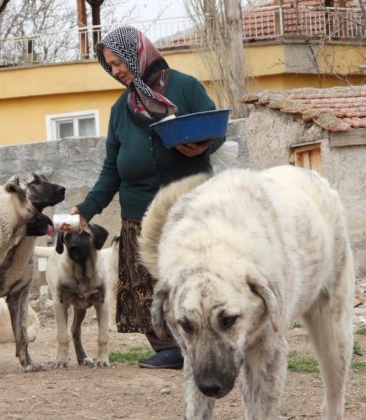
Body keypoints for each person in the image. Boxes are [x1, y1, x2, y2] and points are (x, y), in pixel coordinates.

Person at [71, 26, 225, 370]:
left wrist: (203, 145)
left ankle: (207, 342)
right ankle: (168, 347)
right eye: (108, 66)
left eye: (118, 62)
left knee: (195, 278)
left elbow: (215, 129)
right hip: (139, 213)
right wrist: (86, 209)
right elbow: (112, 170)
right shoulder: (120, 109)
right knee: (148, 284)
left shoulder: (186, 87)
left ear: (136, 54)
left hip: (188, 207)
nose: (115, 71)